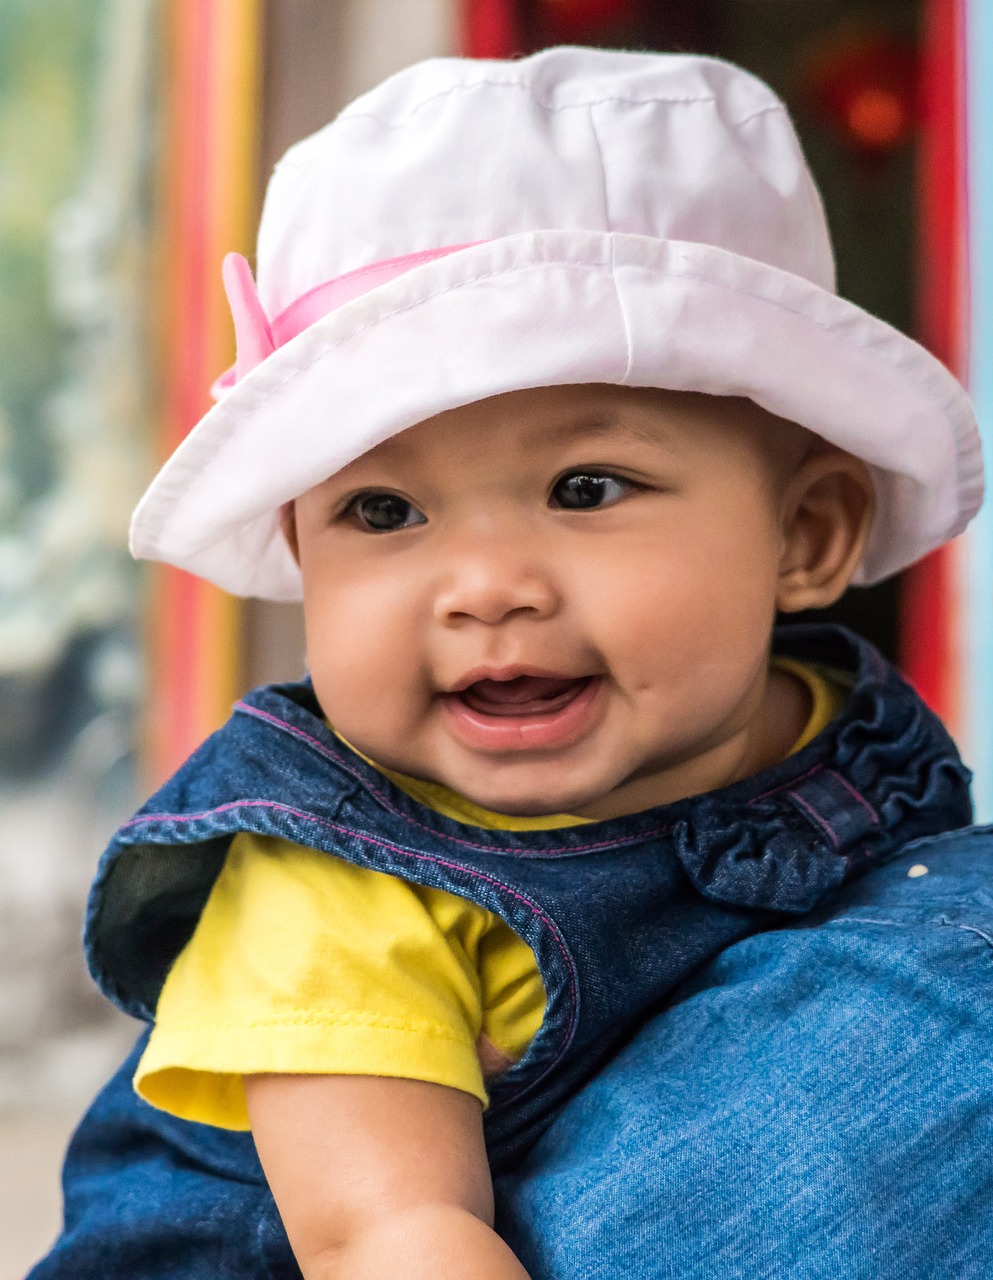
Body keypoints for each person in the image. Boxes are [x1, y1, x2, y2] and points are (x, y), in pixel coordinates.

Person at [31, 46, 992, 1280]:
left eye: (585, 488)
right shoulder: (329, 876)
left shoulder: (836, 740)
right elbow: (388, 1233)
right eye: (383, 512)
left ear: (804, 537)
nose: (485, 586)